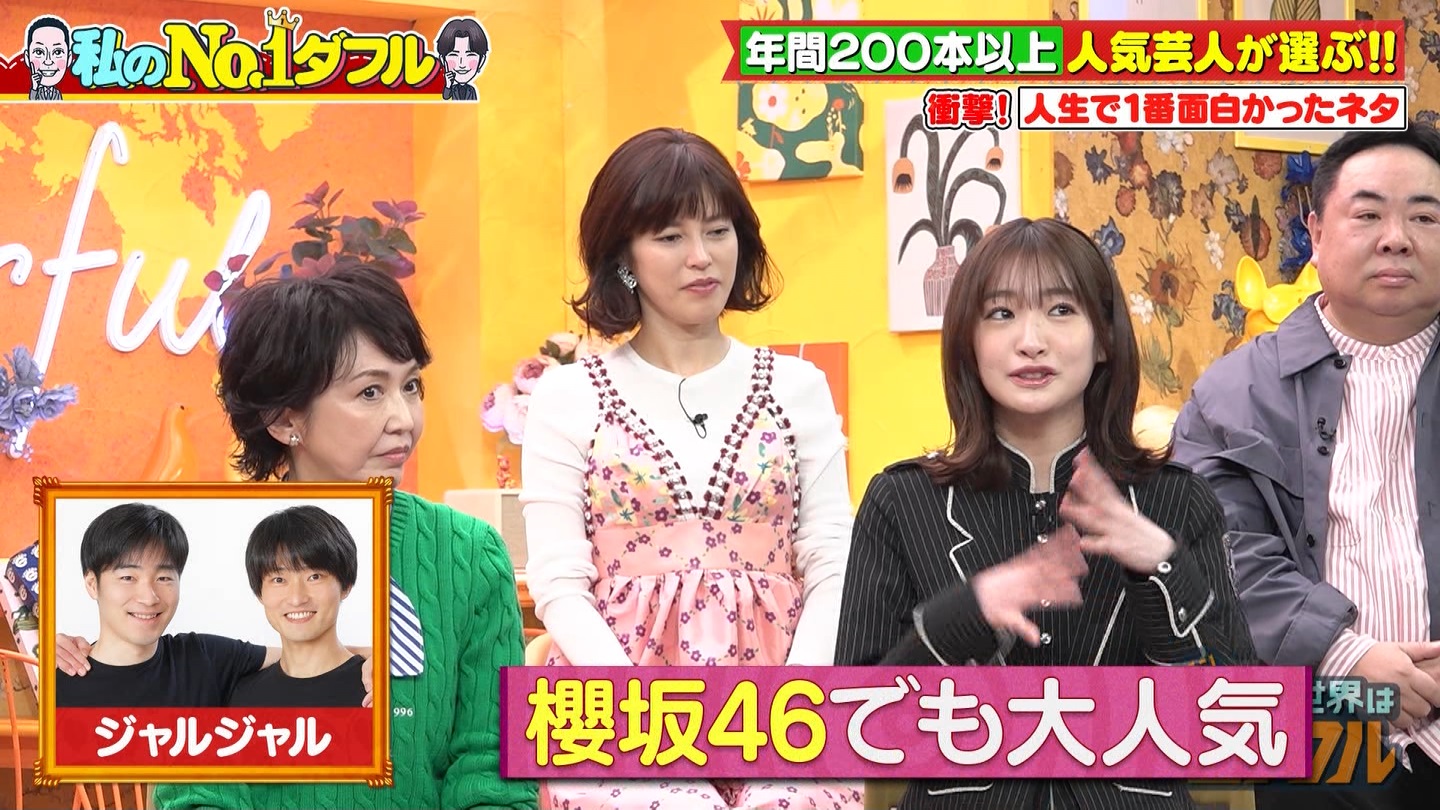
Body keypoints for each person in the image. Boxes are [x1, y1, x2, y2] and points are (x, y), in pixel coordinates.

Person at [835, 217, 1255, 809]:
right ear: (968, 341)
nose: (1030, 340)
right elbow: (855, 727)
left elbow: (1237, 728)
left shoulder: (1178, 500)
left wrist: (1161, 565)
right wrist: (968, 613)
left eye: (1061, 310)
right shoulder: (901, 502)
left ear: (1104, 338)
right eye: (1001, 313)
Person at [521, 127, 862, 809]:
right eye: (670, 236)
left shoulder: (798, 387)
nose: (701, 257)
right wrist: (646, 736)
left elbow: (832, 562)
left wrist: (797, 719)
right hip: (613, 702)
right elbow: (559, 585)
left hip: (786, 692)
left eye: (718, 230)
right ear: (624, 257)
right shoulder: (567, 395)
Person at [152, 265, 535, 809]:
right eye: (370, 392)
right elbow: (194, 791)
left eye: (411, 386)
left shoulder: (471, 553)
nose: (403, 419)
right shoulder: (210, 556)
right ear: (285, 420)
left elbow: (491, 765)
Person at [1172, 126, 1440, 809]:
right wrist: (1345, 655)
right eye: (1368, 213)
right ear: (1316, 232)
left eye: (1424, 217)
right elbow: (1213, 547)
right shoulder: (1231, 396)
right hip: (1319, 721)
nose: (1396, 239)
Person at [55, 502, 266, 707]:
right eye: (128, 577)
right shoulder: (57, 679)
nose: (149, 598)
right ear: (92, 584)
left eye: (163, 578)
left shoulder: (204, 658)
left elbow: (286, 658)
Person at [228, 505, 366, 707]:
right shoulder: (242, 697)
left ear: (345, 585)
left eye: (314, 576)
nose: (296, 598)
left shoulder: (376, 687)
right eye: (278, 580)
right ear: (259, 593)